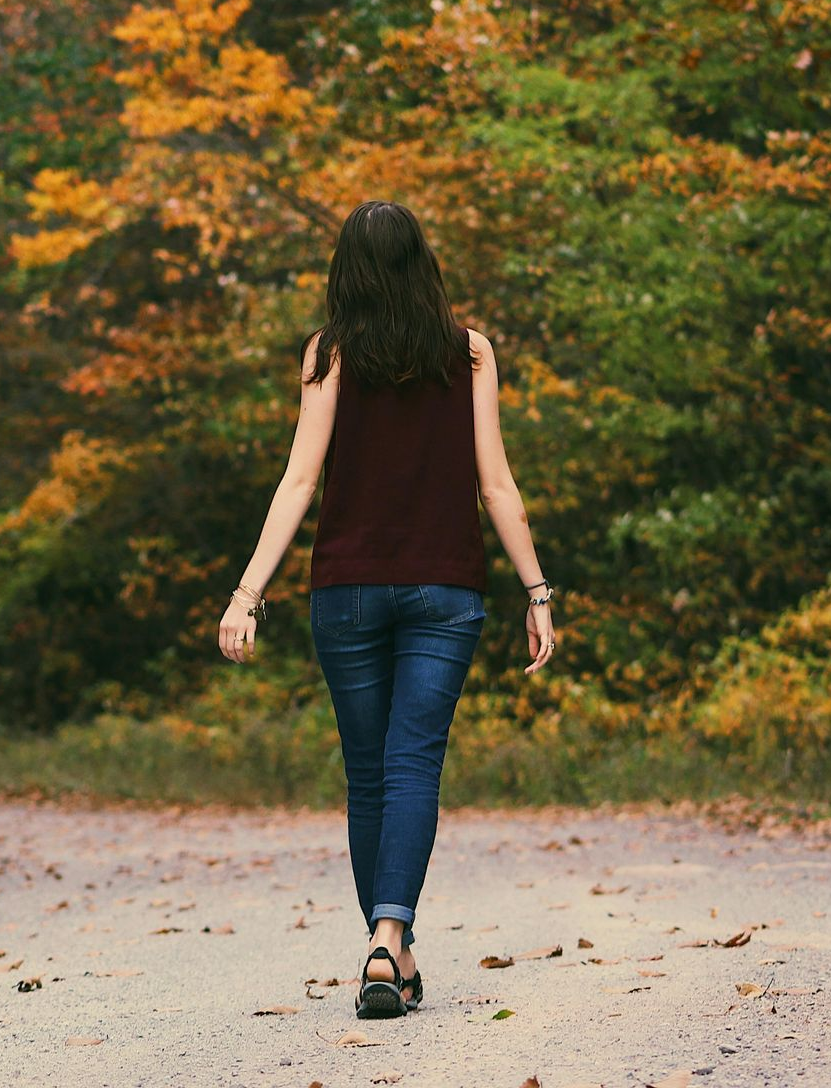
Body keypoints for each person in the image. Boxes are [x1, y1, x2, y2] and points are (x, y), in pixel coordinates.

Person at [215, 199, 556, 1019]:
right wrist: (536, 590)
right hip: (448, 589)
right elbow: (496, 483)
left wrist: (247, 592)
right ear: (422, 262)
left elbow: (299, 480)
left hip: (349, 590)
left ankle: (383, 946)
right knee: (412, 765)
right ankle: (390, 939)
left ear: (348, 271)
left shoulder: (327, 355)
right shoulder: (469, 354)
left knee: (368, 771)